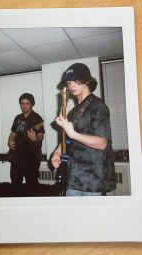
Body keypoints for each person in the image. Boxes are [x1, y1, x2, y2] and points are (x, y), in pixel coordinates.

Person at [51, 63, 116, 196]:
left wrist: (73, 134)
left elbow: (102, 143)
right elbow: (68, 139)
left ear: (86, 80)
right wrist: (57, 153)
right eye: (68, 83)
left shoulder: (98, 106)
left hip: (93, 183)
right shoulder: (73, 112)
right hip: (74, 179)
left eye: (75, 81)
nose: (71, 86)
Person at [8, 93, 44, 196]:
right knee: (15, 181)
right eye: (22, 103)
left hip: (32, 156)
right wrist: (10, 141)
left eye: (27, 103)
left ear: (32, 105)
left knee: (31, 184)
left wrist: (35, 138)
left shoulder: (37, 118)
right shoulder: (17, 117)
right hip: (17, 156)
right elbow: (13, 133)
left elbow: (41, 135)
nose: (24, 106)